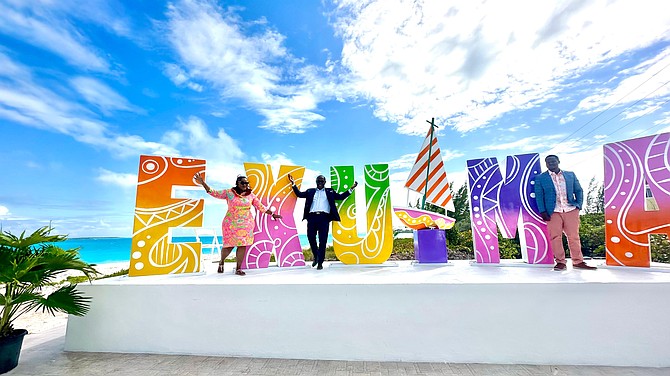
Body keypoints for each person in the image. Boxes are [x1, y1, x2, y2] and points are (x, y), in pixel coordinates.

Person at [194, 173, 281, 275]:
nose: (245, 185)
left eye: (247, 183)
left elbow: (261, 207)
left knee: (242, 246)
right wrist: (203, 183)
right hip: (230, 224)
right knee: (228, 246)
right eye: (243, 182)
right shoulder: (229, 193)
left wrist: (272, 214)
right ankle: (221, 262)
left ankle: (238, 268)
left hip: (246, 225)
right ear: (237, 183)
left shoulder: (251, 195)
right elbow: (213, 193)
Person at [534, 155, 597, 271]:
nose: (551, 163)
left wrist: (578, 205)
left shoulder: (570, 175)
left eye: (553, 161)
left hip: (570, 209)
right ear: (546, 164)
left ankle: (578, 261)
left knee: (574, 237)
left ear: (558, 161)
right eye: (548, 162)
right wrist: (542, 211)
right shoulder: (541, 178)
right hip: (553, 211)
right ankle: (560, 262)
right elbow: (539, 196)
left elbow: (579, 190)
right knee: (555, 237)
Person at [288, 174, 358, 270]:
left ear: (325, 182)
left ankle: (320, 263)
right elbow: (299, 194)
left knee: (323, 241)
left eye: (322, 181)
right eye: (318, 181)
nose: (320, 183)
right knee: (311, 237)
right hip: (312, 218)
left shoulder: (330, 191)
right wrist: (293, 184)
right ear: (316, 182)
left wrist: (351, 188)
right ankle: (316, 256)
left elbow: (341, 197)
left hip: (324, 218)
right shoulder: (310, 191)